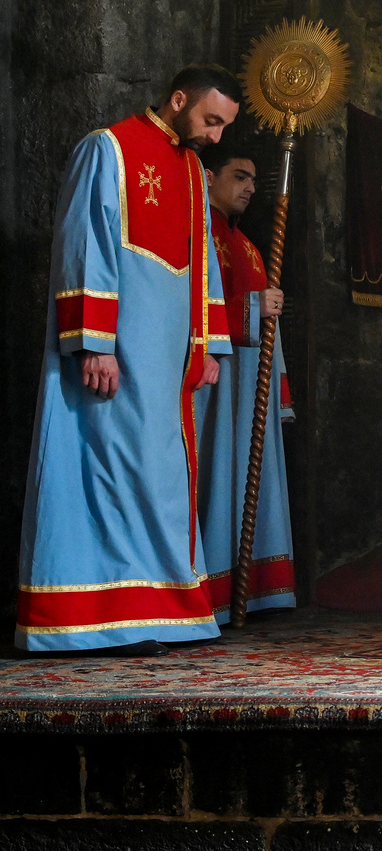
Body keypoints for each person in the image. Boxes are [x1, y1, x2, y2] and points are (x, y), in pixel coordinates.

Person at [16, 65, 240, 655]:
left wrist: (210, 344)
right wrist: (94, 341)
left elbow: (205, 264)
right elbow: (85, 240)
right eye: (210, 120)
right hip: (115, 350)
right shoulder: (108, 149)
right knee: (107, 472)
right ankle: (103, 612)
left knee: (161, 477)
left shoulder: (191, 169)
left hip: (167, 358)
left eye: (224, 126)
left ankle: (157, 610)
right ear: (177, 100)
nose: (216, 136)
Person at [194, 140, 297, 622]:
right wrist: (255, 309)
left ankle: (254, 586)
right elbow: (189, 311)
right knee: (218, 476)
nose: (251, 187)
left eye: (255, 180)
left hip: (247, 383)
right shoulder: (198, 234)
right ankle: (213, 590)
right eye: (240, 176)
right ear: (209, 177)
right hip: (216, 385)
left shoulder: (249, 246)